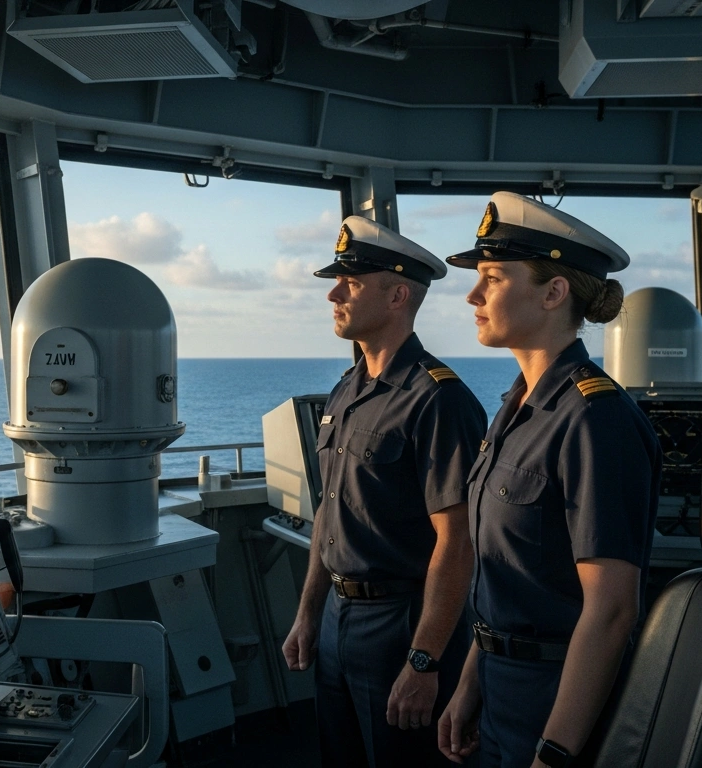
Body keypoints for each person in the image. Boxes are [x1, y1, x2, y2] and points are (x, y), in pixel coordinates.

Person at [436, 192, 662, 768]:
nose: (473, 295)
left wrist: (555, 752)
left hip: (556, 698)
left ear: (554, 292)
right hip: (498, 684)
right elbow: (498, 579)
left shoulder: (595, 420)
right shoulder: (517, 407)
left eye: (492, 278)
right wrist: (470, 684)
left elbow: (611, 610)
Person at [282, 215, 487, 768]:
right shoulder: (347, 389)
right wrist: (308, 612)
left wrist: (424, 661)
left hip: (402, 622)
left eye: (350, 282)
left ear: (398, 295)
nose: (333, 293)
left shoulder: (439, 400)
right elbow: (329, 512)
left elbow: (458, 543)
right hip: (335, 623)